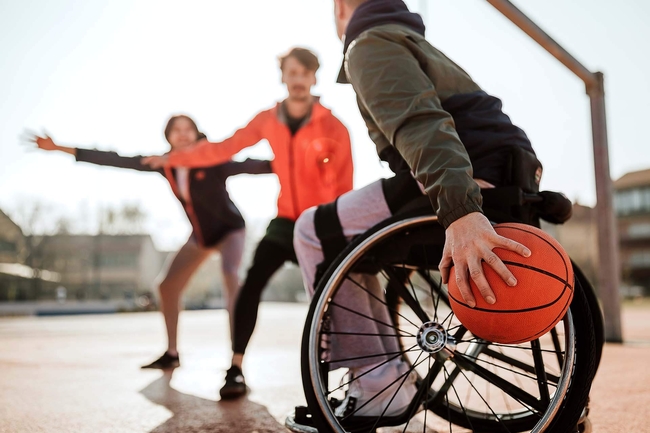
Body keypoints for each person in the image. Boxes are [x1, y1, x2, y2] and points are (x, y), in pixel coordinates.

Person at [293, 0, 536, 418]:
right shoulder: (412, 40)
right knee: (350, 237)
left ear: (341, 7)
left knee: (313, 230)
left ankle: (379, 381)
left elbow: (420, 124)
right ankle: (386, 375)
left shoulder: (369, 44)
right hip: (499, 171)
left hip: (462, 177)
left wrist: (460, 210)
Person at [143, 48, 354, 398]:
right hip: (285, 220)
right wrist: (177, 157)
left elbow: (343, 183)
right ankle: (236, 368)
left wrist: (338, 226)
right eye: (292, 72)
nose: (298, 79)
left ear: (314, 78)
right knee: (251, 283)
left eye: (305, 72)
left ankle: (337, 379)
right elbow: (224, 148)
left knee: (330, 297)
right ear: (283, 77)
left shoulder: (334, 126)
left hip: (321, 221)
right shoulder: (268, 119)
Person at [29, 115, 273, 369]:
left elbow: (253, 166)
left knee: (230, 276)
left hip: (230, 231)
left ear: (197, 133)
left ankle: (236, 362)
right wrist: (59, 148)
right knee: (167, 286)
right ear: (167, 136)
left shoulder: (211, 159)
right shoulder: (164, 164)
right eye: (176, 129)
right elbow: (116, 159)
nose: (182, 134)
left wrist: (295, 162)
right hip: (200, 236)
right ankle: (172, 353)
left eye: (188, 129)